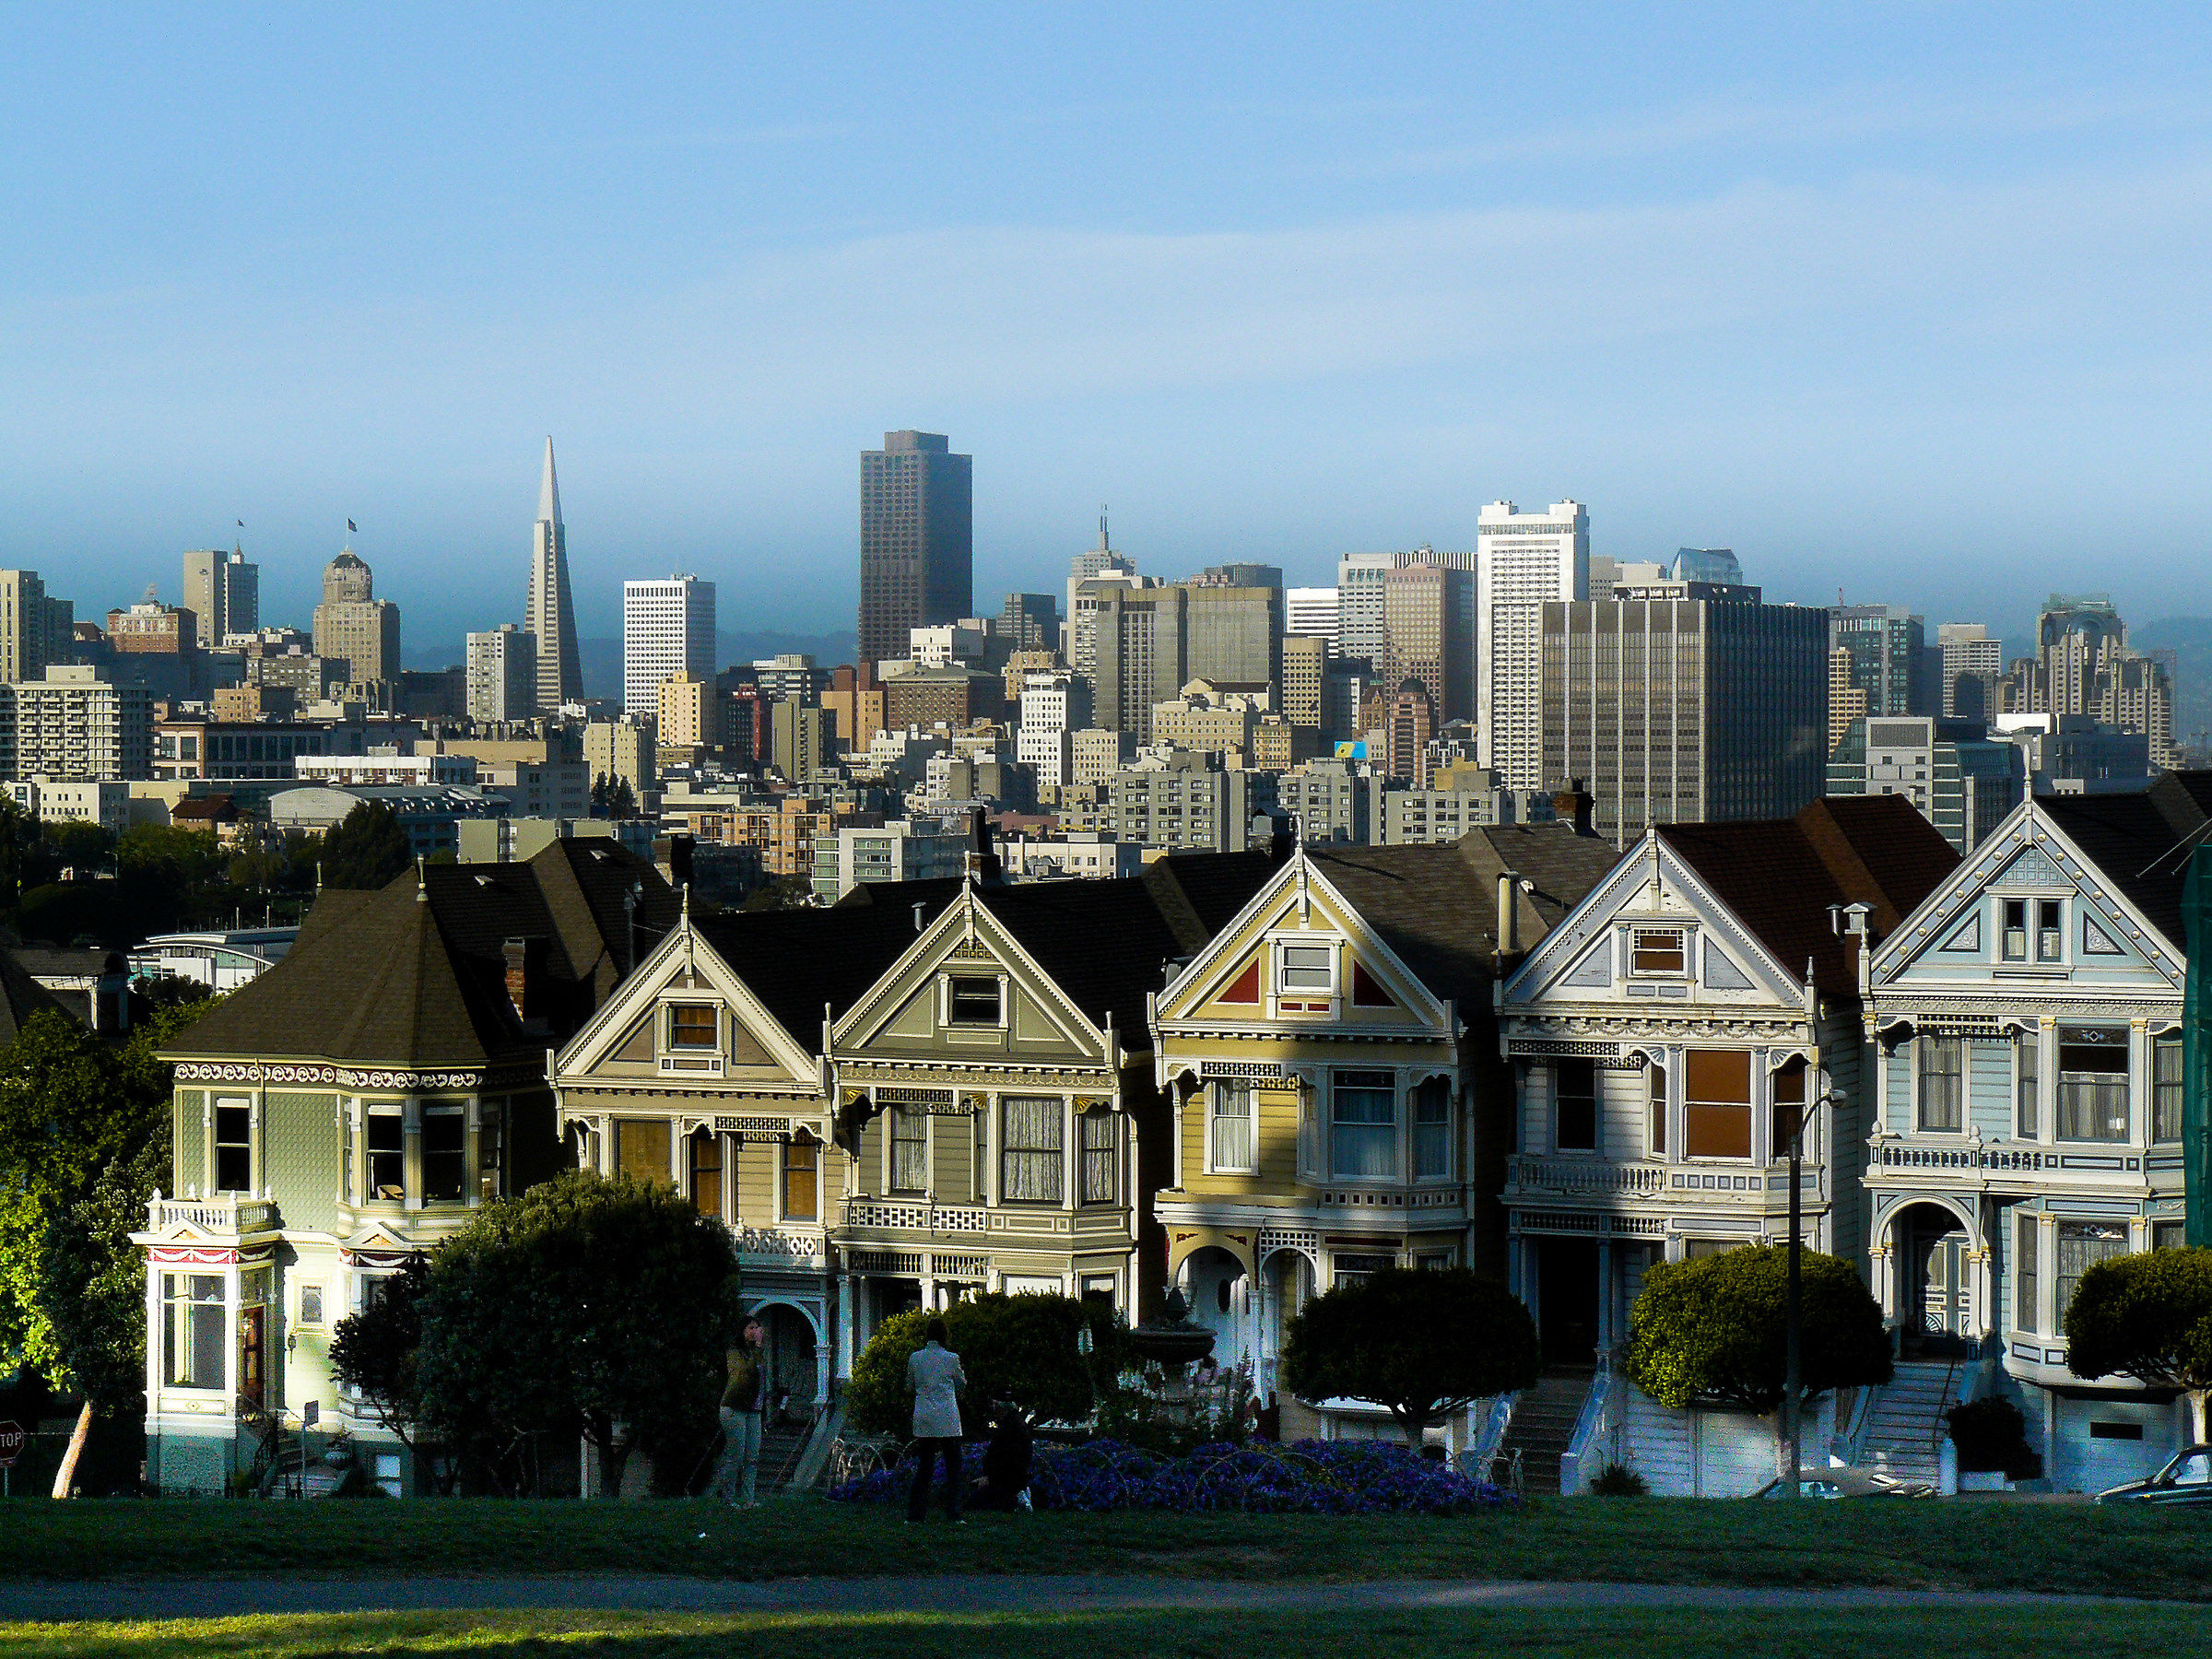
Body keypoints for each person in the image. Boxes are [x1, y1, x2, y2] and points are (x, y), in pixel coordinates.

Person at [905, 1315, 967, 1523]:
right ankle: (954, 1513)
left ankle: (916, 1514)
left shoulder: (915, 1358)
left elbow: (909, 1386)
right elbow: (962, 1384)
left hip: (924, 1417)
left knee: (925, 1467)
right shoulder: (951, 1358)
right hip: (948, 1418)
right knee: (953, 1467)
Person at [711, 1317, 767, 1507]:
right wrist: (758, 1348)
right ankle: (728, 1499)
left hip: (754, 1410)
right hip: (734, 1408)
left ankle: (748, 1500)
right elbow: (746, 1372)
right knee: (736, 1454)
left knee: (752, 1456)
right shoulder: (735, 1352)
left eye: (757, 1328)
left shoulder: (756, 1353)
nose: (755, 1331)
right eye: (751, 1328)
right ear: (742, 1331)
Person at [969, 1400, 1033, 1512]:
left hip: (1005, 1482)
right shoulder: (1013, 1425)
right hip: (1002, 1479)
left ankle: (1016, 1500)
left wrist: (991, 1479)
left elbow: (1010, 1461)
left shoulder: (1011, 1429)